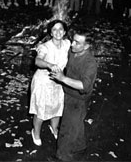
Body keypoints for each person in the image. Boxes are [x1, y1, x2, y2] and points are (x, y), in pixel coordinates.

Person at [50, 27, 98, 161]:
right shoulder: (73, 52)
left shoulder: (90, 64)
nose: (72, 45)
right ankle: (79, 146)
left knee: (66, 128)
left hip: (78, 100)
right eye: (73, 41)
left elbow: (84, 86)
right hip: (68, 94)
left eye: (77, 42)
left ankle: (62, 157)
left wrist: (63, 79)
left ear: (87, 46)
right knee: (76, 124)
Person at [29, 20, 71, 146]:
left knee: (57, 107)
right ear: (51, 33)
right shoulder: (45, 47)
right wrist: (49, 65)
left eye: (60, 29)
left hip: (58, 81)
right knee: (41, 110)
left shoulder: (67, 44)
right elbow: (37, 61)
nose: (58, 32)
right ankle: (35, 132)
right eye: (54, 29)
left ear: (64, 32)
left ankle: (54, 128)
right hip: (43, 82)